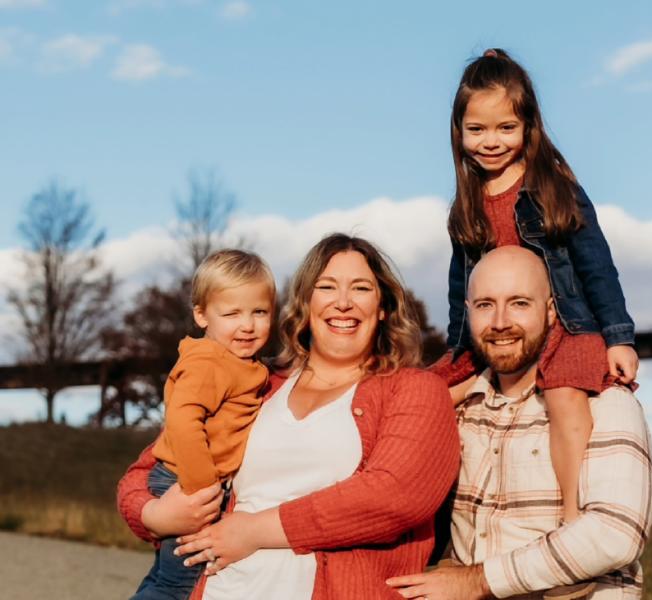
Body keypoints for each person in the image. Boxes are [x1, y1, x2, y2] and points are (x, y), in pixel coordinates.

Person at [117, 233, 461, 600]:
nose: (343, 302)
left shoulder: (414, 390)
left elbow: (393, 497)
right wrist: (154, 516)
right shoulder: (257, 380)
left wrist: (251, 532)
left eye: (360, 288)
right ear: (305, 302)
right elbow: (147, 470)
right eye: (326, 287)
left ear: (383, 306)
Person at [435, 48, 639, 535]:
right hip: (497, 332)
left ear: (529, 126)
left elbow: (595, 261)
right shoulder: (467, 202)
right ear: (458, 132)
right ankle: (442, 525)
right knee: (432, 395)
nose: (491, 142)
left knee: (566, 395)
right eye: (477, 130)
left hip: (564, 325)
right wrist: (457, 350)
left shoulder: (551, 184)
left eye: (506, 127)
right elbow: (460, 284)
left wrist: (618, 336)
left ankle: (572, 513)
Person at [388, 246, 652, 600]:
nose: (500, 322)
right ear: (467, 312)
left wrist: (476, 581)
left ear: (550, 312)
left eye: (519, 303)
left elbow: (616, 534)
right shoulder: (455, 410)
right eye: (485, 305)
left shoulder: (603, 401)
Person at [132, 248, 275, 600]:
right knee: (178, 587)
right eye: (231, 313)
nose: (247, 324)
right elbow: (182, 422)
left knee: (164, 577)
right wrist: (202, 487)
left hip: (194, 481)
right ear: (201, 315)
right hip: (189, 483)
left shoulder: (243, 363)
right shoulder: (209, 362)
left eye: (260, 312)